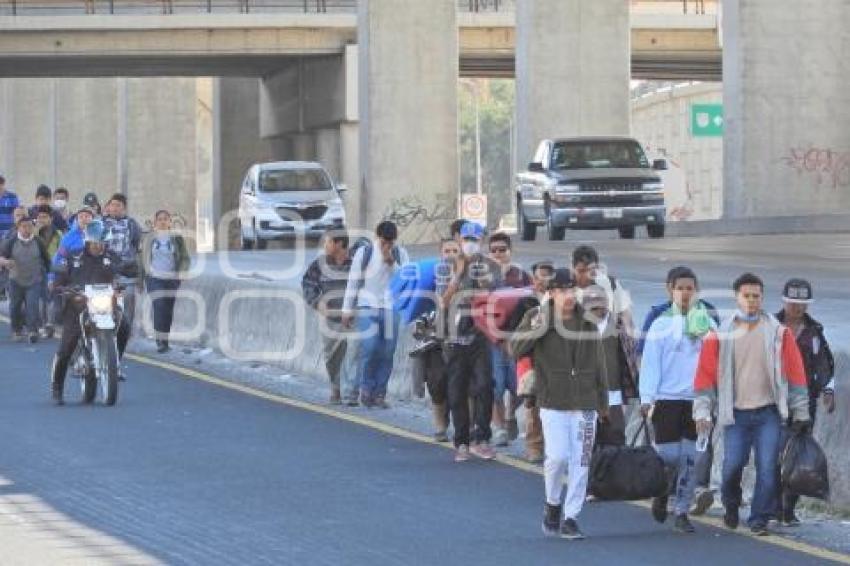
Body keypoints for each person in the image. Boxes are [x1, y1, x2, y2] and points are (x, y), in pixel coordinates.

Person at [694, 273, 811, 536]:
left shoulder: (779, 334)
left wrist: (801, 410)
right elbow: (705, 378)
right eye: (746, 296)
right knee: (732, 466)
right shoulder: (719, 335)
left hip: (769, 413)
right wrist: (702, 410)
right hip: (735, 415)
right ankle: (731, 505)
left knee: (768, 467)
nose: (751, 301)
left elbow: (796, 375)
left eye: (756, 296)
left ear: (762, 298)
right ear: (737, 297)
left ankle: (759, 517)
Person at [509, 268, 609, 540]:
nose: (568, 296)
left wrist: (603, 400)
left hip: (585, 400)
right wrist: (541, 326)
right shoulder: (537, 317)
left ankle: (571, 516)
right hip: (553, 399)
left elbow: (598, 359)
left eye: (571, 290)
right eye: (562, 290)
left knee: (581, 461)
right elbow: (515, 350)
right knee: (557, 458)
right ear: (551, 293)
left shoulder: (587, 320)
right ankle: (552, 503)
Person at [637, 266, 722, 516]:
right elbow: (650, 364)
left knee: (692, 458)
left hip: (699, 401)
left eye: (690, 289)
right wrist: (647, 398)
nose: (685, 293)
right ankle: (663, 492)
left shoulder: (710, 324)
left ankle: (682, 511)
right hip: (667, 400)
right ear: (670, 290)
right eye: (680, 289)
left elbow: (719, 362)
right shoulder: (660, 324)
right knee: (669, 455)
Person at [438, 221, 502, 462]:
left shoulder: (491, 266)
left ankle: (482, 438)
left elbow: (492, 295)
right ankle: (462, 441)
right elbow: (444, 301)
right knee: (456, 391)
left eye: (475, 239)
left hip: (481, 334)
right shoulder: (447, 266)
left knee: (485, 386)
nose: (470, 244)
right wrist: (458, 274)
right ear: (459, 240)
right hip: (455, 336)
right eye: (467, 239)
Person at [775, 278, 836, 526]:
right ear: (785, 301)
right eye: (793, 303)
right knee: (773, 454)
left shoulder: (814, 332)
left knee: (799, 457)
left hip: (804, 404)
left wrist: (827, 391)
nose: (798, 308)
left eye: (802, 304)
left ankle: (788, 508)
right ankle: (770, 505)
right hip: (773, 401)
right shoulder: (771, 326)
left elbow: (824, 364)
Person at [50, 221, 129, 405]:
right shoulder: (74, 257)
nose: (98, 246)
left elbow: (123, 271)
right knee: (67, 344)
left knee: (124, 326)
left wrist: (120, 284)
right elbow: (58, 280)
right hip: (79, 305)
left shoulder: (111, 257)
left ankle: (113, 364)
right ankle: (57, 386)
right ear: (87, 242)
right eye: (94, 243)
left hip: (106, 304)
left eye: (101, 243)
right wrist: (64, 289)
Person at [341, 221, 409, 408]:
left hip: (390, 307)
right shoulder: (365, 253)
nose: (387, 246)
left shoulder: (400, 254)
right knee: (369, 348)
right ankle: (365, 388)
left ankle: (380, 393)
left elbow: (405, 280)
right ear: (377, 237)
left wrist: (391, 263)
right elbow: (353, 282)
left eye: (391, 242)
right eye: (384, 242)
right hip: (367, 305)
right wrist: (347, 309)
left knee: (387, 351)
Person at [504, 260, 554, 463]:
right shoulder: (527, 305)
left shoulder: (565, 305)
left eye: (548, 275)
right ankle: (534, 446)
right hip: (532, 361)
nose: (544, 279)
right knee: (533, 404)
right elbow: (516, 337)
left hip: (557, 365)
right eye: (540, 275)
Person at [488, 231, 531, 446]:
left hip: (518, 339)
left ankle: (510, 414)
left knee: (519, 386)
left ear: (510, 251)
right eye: (493, 250)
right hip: (492, 340)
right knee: (495, 384)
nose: (498, 254)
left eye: (502, 250)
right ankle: (499, 428)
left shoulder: (521, 276)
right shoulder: (482, 277)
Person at [301, 230, 353, 404]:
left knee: (354, 354)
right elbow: (308, 283)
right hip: (330, 317)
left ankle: (352, 391)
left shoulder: (356, 263)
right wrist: (317, 302)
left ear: (338, 244)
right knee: (331, 356)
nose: (325, 246)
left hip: (353, 317)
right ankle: (335, 388)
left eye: (328, 242)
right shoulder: (319, 264)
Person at [142, 210, 190, 354]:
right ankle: (159, 341)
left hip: (171, 279)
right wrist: (140, 278)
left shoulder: (176, 238)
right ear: (155, 222)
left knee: (168, 310)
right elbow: (142, 259)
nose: (163, 222)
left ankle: (165, 340)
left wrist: (182, 271)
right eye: (160, 219)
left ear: (170, 222)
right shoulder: (149, 239)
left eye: (165, 219)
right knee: (159, 306)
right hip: (154, 278)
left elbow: (185, 258)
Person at [102, 193, 142, 363]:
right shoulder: (100, 224)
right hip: (107, 271)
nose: (115, 208)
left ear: (124, 208)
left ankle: (124, 336)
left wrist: (140, 273)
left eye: (119, 205)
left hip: (127, 271)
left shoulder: (132, 225)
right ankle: (105, 336)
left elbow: (136, 245)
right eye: (113, 205)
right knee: (104, 304)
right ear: (108, 207)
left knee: (128, 306)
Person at [0, 215, 50, 342]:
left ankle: (32, 331)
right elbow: (1, 257)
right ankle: (16, 330)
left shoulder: (39, 242)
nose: (27, 229)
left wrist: (50, 278)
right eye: (24, 226)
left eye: (29, 226)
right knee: (15, 307)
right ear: (18, 228)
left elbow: (47, 261)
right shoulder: (10, 242)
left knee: (32, 306)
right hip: (15, 280)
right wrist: (5, 262)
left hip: (34, 280)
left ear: (33, 228)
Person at [35, 205, 63, 338]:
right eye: (39, 217)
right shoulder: (33, 233)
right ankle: (42, 325)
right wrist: (36, 231)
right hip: (37, 270)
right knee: (41, 299)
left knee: (52, 299)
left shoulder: (58, 235)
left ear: (51, 219)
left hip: (52, 270)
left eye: (45, 217)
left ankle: (50, 325)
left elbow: (62, 253)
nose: (41, 220)